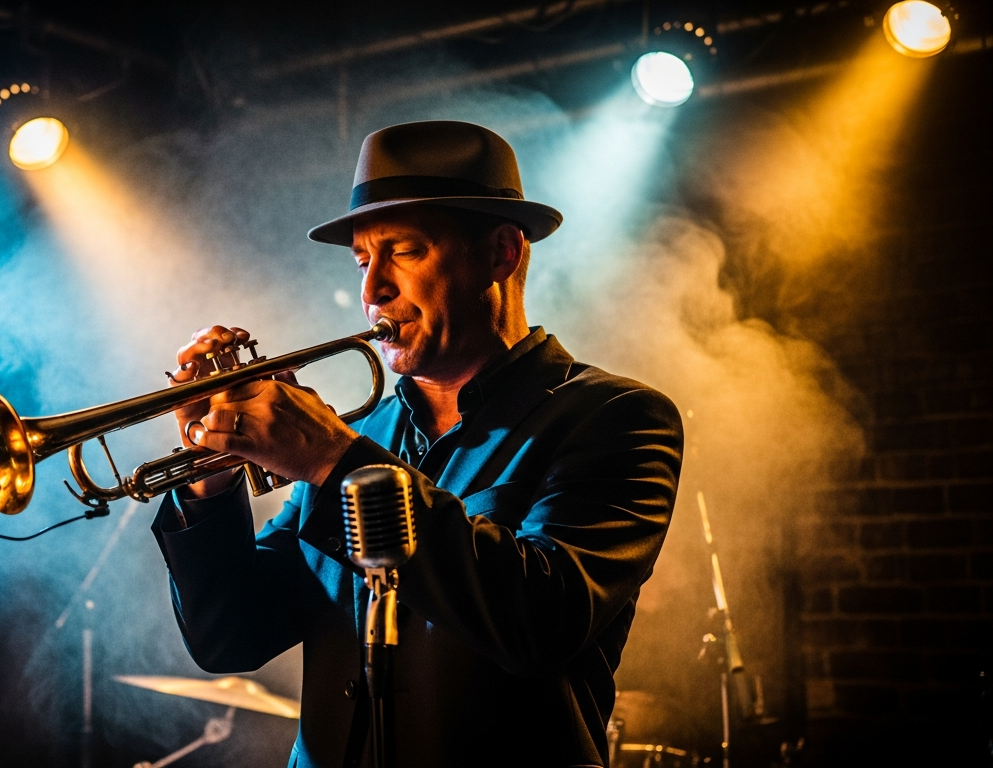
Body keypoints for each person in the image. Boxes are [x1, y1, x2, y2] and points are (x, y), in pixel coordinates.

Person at [150, 120, 683, 767]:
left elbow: (541, 620)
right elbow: (230, 638)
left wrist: (331, 460)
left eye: (401, 251)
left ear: (500, 253)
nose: (372, 289)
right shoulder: (365, 436)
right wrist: (212, 473)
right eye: (361, 260)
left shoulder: (614, 417)